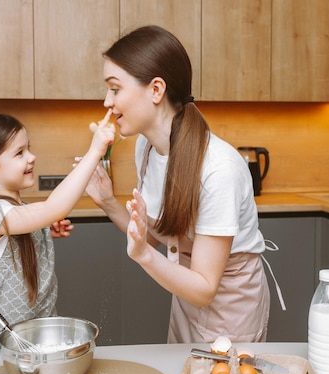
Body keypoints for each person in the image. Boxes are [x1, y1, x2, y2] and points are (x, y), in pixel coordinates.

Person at [85, 25, 273, 344]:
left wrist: (143, 255)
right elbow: (154, 240)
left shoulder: (219, 169)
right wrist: (107, 201)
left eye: (115, 89)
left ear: (156, 90)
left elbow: (203, 288)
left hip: (229, 308)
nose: (107, 101)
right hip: (184, 297)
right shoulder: (145, 149)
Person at [0, 111, 114, 355]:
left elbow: (39, 218)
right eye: (19, 153)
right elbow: (53, 208)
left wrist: (42, 233)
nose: (31, 157)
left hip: (34, 337)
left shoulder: (19, 211)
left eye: (29, 149)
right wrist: (95, 152)